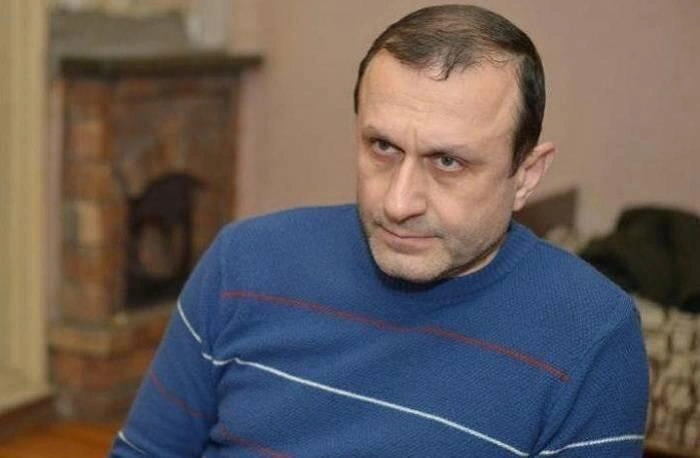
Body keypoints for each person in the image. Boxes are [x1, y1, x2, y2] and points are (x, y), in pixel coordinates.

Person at [111, 4, 649, 457]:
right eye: (383, 147)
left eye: (448, 162)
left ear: (526, 175)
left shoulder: (591, 335)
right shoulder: (242, 264)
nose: (397, 203)